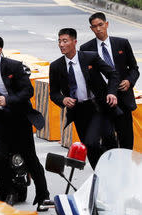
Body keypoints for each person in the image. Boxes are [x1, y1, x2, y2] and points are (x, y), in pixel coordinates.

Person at [0, 35, 49, 210]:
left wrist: (8, 100)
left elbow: (28, 91)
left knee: (29, 158)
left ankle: (43, 195)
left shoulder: (13, 66)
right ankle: (8, 192)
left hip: (17, 119)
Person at [49, 28, 120, 169]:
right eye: (59, 41)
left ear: (74, 42)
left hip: (98, 106)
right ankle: (99, 174)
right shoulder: (56, 66)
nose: (61, 45)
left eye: (65, 41)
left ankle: (112, 169)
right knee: (89, 146)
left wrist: (111, 92)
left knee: (100, 140)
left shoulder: (90, 57)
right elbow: (54, 93)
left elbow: (113, 74)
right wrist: (63, 100)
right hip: (79, 110)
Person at [80, 13, 139, 150]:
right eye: (95, 27)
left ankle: (126, 169)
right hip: (102, 101)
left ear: (107, 24)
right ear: (91, 29)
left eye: (101, 25)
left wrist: (129, 81)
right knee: (108, 140)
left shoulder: (122, 43)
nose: (98, 29)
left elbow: (134, 68)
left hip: (123, 98)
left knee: (126, 139)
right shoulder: (86, 49)